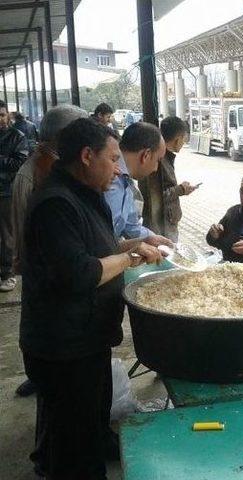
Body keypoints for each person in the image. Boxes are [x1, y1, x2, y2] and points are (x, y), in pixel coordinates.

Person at [20, 118, 163, 479]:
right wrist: (131, 258)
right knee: (75, 447)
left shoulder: (84, 194)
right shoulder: (56, 204)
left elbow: (99, 246)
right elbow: (80, 272)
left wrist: (137, 244)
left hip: (86, 339)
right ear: (87, 155)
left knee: (84, 425)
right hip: (63, 347)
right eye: (113, 159)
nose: (118, 169)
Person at [11, 105, 88, 399]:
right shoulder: (34, 175)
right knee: (39, 314)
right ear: (61, 138)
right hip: (42, 266)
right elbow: (24, 231)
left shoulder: (56, 167)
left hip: (55, 265)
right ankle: (38, 374)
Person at [104, 122, 172, 247]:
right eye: (158, 160)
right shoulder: (106, 179)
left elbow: (131, 226)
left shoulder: (127, 183)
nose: (156, 168)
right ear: (146, 155)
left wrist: (153, 239)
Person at [139, 116, 198, 242]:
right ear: (177, 139)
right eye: (184, 139)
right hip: (161, 226)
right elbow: (155, 196)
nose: (184, 143)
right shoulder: (158, 160)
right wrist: (180, 189)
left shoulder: (165, 158)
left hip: (166, 222)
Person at [0, 100, 28, 293]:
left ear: (8, 115)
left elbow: (19, 162)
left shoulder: (17, 136)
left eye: (1, 115)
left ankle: (8, 273)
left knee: (7, 235)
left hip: (6, 192)